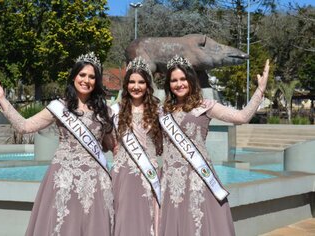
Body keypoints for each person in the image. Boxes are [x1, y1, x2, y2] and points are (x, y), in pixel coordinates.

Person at [0, 52, 115, 236]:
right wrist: (2, 99)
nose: (86, 80)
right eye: (82, 75)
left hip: (96, 182)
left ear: (97, 81)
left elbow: (110, 145)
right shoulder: (60, 106)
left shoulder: (104, 111)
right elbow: (25, 126)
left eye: (92, 76)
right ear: (74, 77)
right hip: (65, 178)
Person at [159, 55, 270, 236]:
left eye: (183, 79)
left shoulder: (205, 106)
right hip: (171, 182)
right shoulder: (163, 111)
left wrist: (260, 90)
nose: (179, 84)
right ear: (168, 84)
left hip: (198, 178)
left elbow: (242, 117)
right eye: (174, 80)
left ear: (191, 80)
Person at [111, 56, 163, 236]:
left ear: (148, 86)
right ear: (126, 85)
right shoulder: (115, 111)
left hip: (149, 174)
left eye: (141, 82)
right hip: (123, 174)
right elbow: (106, 140)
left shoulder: (159, 111)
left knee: (147, 218)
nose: (136, 86)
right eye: (131, 82)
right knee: (124, 218)